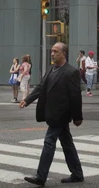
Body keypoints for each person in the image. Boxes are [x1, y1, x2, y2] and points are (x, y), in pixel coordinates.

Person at [20, 41, 84, 186]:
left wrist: (77, 117)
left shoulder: (71, 72)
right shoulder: (51, 69)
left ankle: (41, 177)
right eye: (52, 51)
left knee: (49, 142)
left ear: (63, 54)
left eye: (55, 51)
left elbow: (75, 96)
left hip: (61, 114)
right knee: (67, 143)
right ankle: (77, 174)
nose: (52, 53)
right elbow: (41, 87)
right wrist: (27, 100)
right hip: (51, 112)